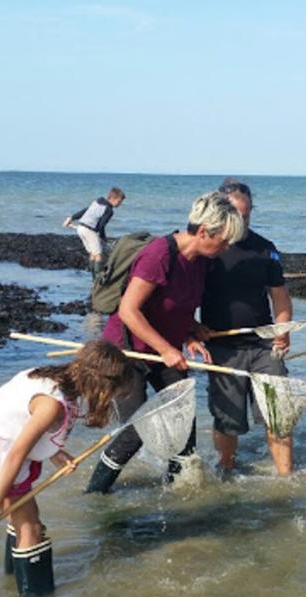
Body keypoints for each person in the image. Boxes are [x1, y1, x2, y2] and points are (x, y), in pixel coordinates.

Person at [86, 191, 245, 493]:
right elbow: (129, 311)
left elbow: (175, 306)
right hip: (127, 353)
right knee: (138, 429)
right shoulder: (159, 254)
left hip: (165, 352)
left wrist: (191, 331)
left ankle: (179, 496)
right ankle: (96, 493)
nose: (226, 248)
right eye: (223, 240)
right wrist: (167, 349)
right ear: (202, 232)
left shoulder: (201, 261)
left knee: (183, 427)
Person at [0, 341, 132, 596]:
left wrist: (54, 453)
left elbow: (19, 421)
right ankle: (35, 593)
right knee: (32, 529)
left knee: (24, 521)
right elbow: (15, 454)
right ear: (101, 388)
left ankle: (11, 581)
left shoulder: (52, 376)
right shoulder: (51, 405)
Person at [201, 178, 295, 476]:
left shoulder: (266, 250)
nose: (242, 220)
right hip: (222, 348)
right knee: (227, 421)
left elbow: (280, 298)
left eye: (247, 214)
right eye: (236, 214)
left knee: (278, 416)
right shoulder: (208, 251)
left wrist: (283, 330)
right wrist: (191, 330)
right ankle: (226, 469)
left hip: (264, 346)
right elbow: (183, 297)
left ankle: (286, 480)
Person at [63, 187, 126, 280]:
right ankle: (97, 280)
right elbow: (101, 226)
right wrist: (104, 238)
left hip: (80, 228)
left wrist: (72, 218)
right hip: (89, 230)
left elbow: (85, 211)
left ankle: (93, 277)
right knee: (98, 255)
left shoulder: (97, 201)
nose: (120, 204)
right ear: (112, 199)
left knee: (93, 253)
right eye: (119, 202)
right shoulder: (109, 210)